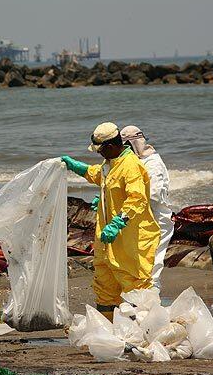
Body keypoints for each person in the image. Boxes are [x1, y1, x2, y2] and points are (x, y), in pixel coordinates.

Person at [61, 122, 160, 321]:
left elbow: (137, 199)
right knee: (105, 284)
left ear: (111, 146)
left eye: (100, 150)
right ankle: (108, 329)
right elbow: (99, 175)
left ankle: (140, 330)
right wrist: (77, 167)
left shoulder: (131, 166)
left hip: (131, 238)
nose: (99, 154)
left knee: (134, 285)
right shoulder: (110, 164)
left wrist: (117, 223)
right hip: (107, 240)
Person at [121, 126, 174, 290]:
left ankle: (151, 306)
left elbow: (153, 195)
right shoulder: (136, 161)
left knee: (152, 266)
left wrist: (126, 207)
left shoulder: (152, 163)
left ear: (132, 144)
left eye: (125, 146)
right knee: (139, 265)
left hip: (157, 221)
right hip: (141, 222)